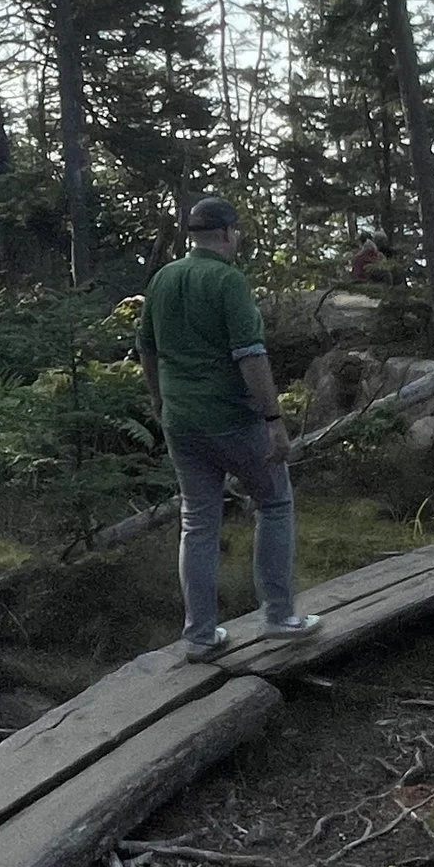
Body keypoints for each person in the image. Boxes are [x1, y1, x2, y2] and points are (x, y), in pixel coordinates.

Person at [139, 195, 324, 661]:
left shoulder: (163, 278)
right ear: (225, 233)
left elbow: (147, 348)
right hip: (232, 418)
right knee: (275, 503)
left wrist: (161, 402)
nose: (237, 237)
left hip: (181, 421)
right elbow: (250, 355)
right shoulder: (227, 281)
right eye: (236, 231)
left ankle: (200, 635)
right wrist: (273, 419)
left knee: (198, 522)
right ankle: (280, 617)